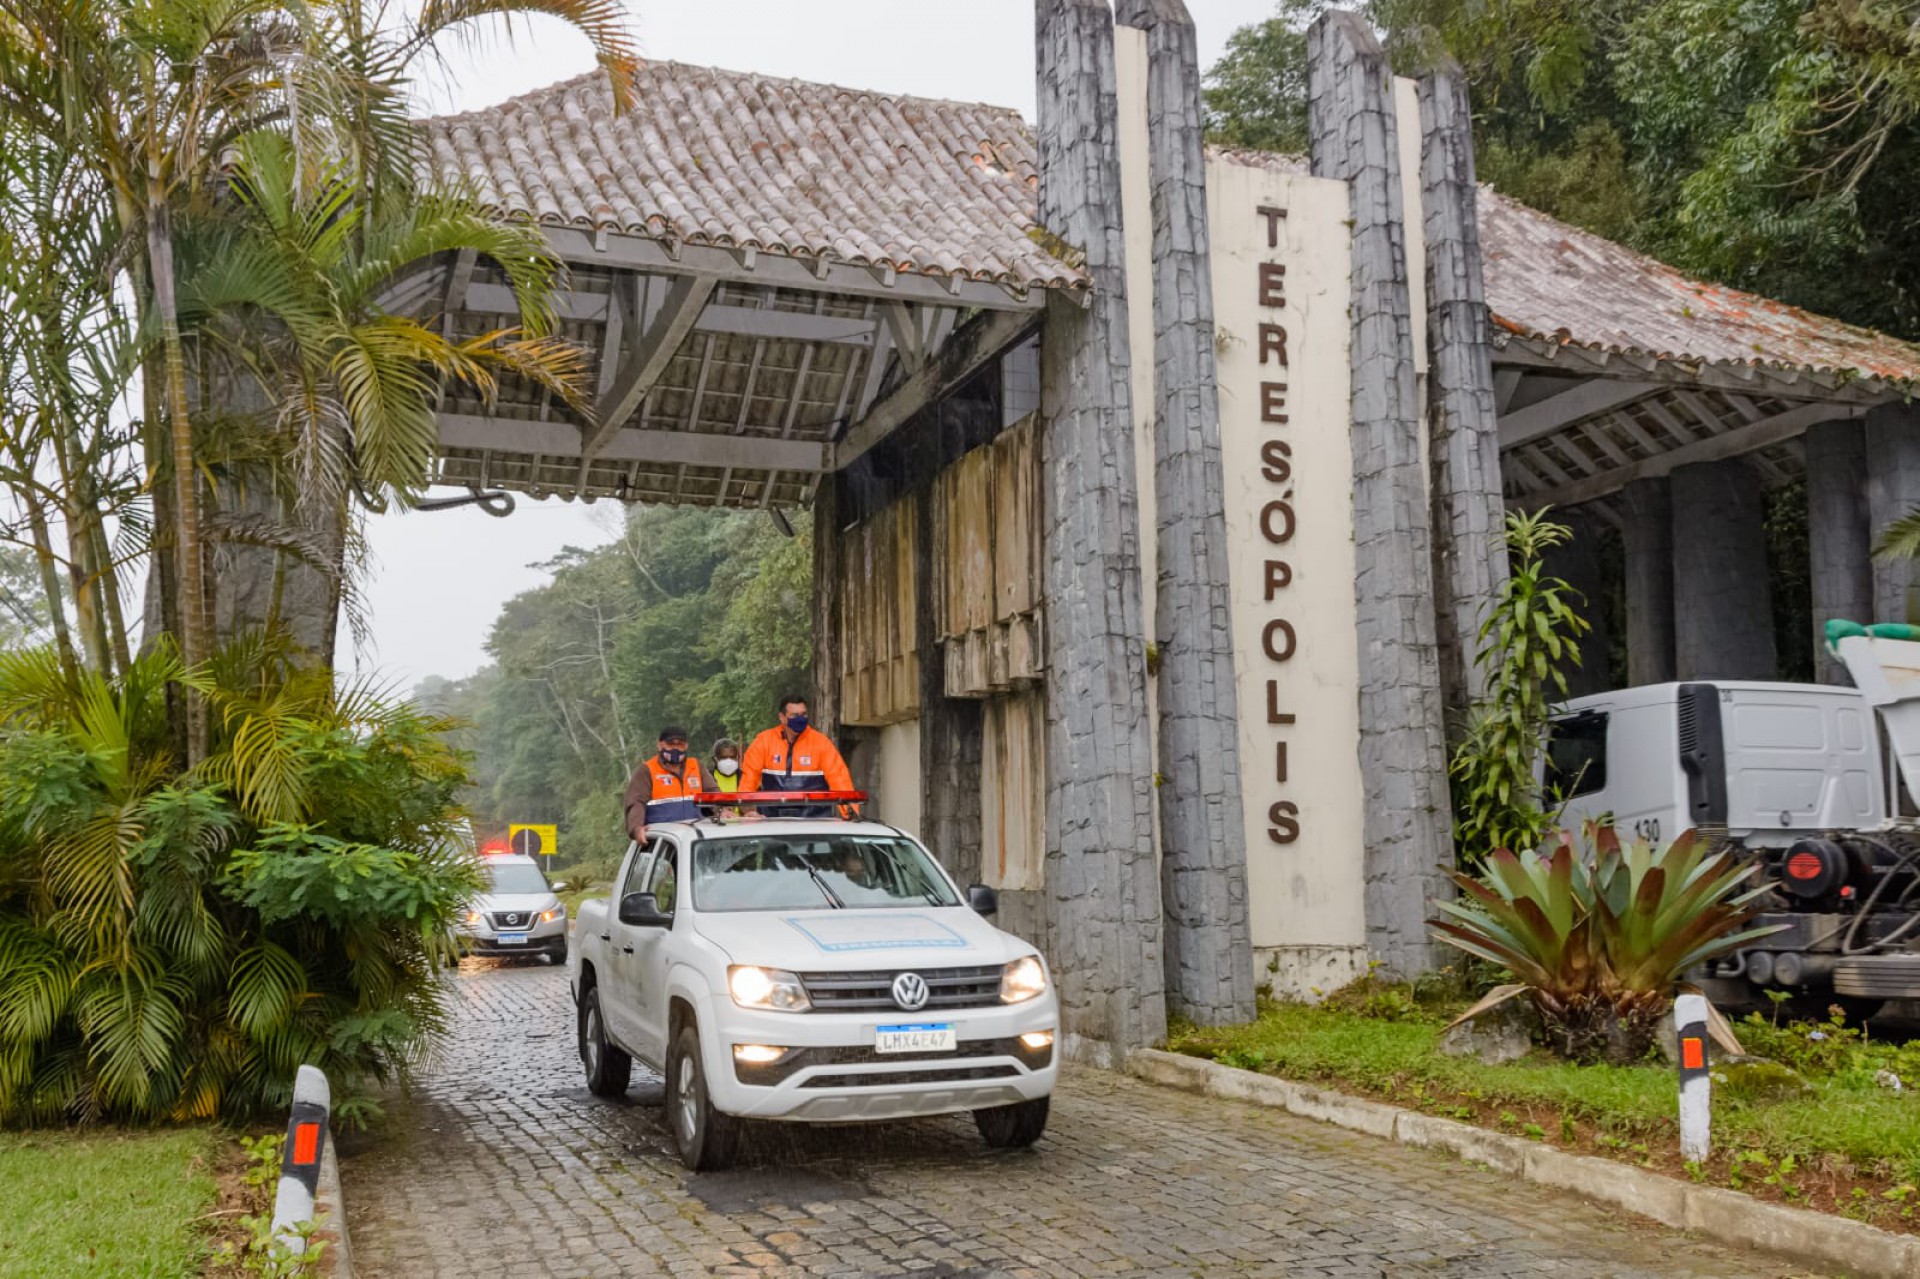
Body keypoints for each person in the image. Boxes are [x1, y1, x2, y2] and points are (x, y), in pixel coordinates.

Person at [740, 695, 854, 817]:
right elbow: (748, 783)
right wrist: (749, 811)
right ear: (782, 717)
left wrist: (850, 815)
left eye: (803, 714)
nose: (800, 719)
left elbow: (841, 782)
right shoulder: (764, 742)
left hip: (815, 824)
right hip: (771, 823)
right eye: (794, 715)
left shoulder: (821, 744)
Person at [623, 726, 705, 840]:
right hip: (660, 841)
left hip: (696, 837)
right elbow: (636, 802)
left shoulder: (696, 766)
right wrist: (636, 828)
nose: (675, 748)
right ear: (660, 745)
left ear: (686, 746)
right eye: (671, 744)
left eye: (680, 744)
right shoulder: (647, 770)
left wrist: (723, 810)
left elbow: (713, 793)